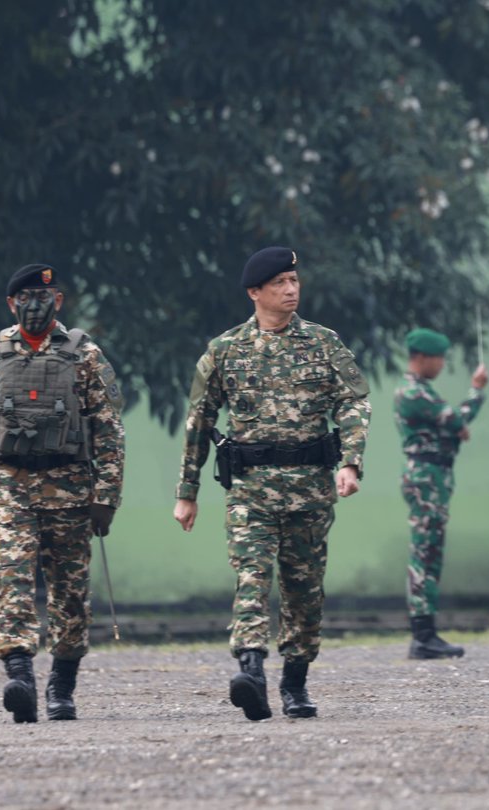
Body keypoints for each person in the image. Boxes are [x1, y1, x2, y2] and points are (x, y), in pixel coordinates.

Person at [172, 247, 370, 721]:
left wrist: (351, 462)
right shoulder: (224, 351)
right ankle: (252, 672)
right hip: (250, 491)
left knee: (304, 589)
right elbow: (198, 421)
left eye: (294, 280)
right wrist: (187, 491)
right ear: (254, 292)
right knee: (252, 578)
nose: (291, 289)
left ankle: (296, 682)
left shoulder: (324, 344)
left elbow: (354, 402)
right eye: (280, 282)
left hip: (309, 489)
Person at [0, 263, 125, 723]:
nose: (35, 305)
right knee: (12, 580)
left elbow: (109, 432)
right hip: (11, 488)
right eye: (25, 297)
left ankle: (62, 686)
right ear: (11, 303)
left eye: (45, 296)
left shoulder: (86, 356)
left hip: (71, 490)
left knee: (69, 595)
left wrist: (105, 496)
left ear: (58, 301)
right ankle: (19, 675)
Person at [393, 328, 488, 659]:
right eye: (439, 358)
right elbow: (455, 419)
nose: (442, 365)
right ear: (422, 357)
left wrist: (454, 429)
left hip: (432, 478)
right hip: (426, 480)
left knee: (431, 551)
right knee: (424, 553)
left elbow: (449, 426)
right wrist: (476, 391)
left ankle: (426, 633)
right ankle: (423, 635)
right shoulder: (415, 393)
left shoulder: (421, 393)